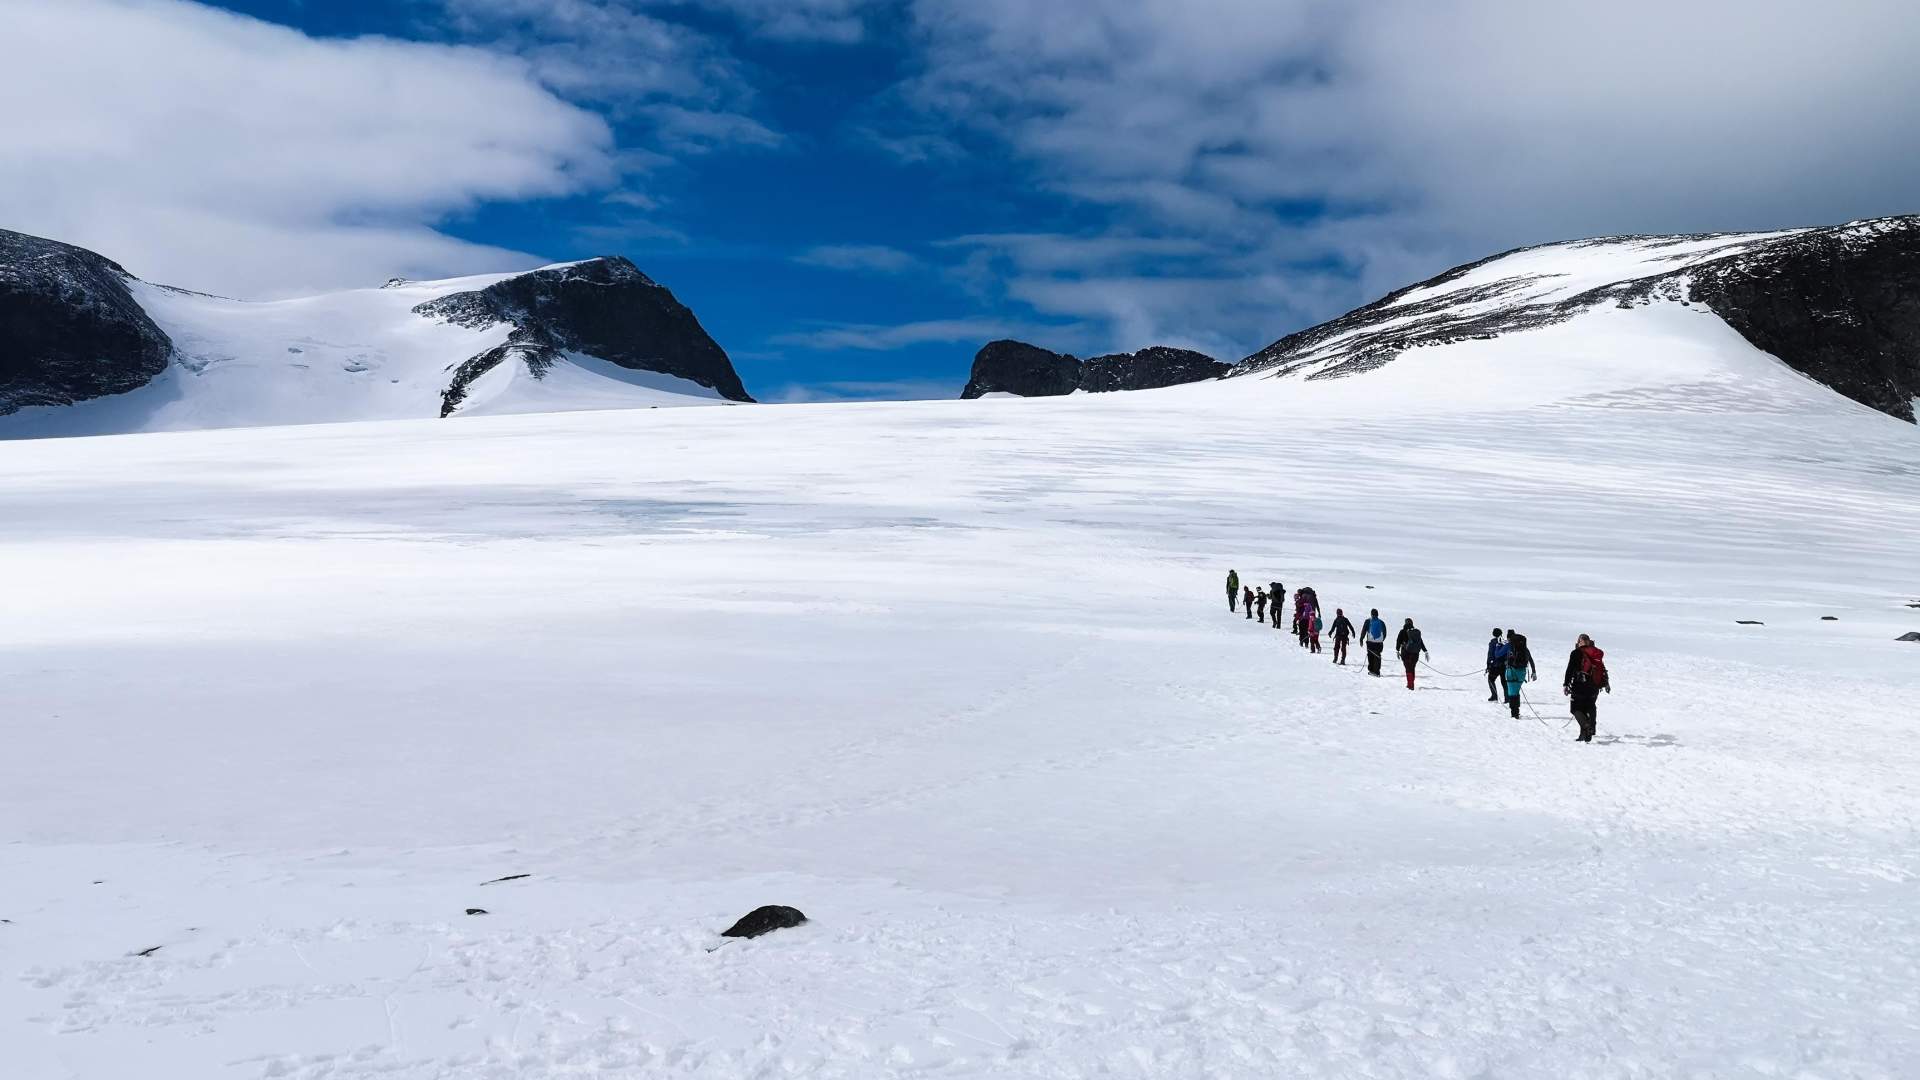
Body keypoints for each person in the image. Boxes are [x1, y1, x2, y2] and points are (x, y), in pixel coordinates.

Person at [1563, 634, 1610, 742]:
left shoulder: (1576, 652)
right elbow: (1602, 669)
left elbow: (1570, 669)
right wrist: (1606, 683)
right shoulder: (1595, 653)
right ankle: (1586, 733)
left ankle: (1587, 727)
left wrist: (1566, 684)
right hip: (1594, 686)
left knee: (1575, 709)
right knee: (1590, 706)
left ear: (1579, 642)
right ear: (1589, 641)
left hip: (1580, 685)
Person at [1502, 631, 1537, 719]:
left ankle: (1514, 713)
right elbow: (1531, 660)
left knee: (1512, 693)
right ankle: (1516, 712)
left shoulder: (1510, 647)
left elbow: (1498, 654)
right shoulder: (1525, 649)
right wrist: (1534, 672)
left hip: (1511, 672)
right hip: (1522, 673)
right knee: (1516, 692)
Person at [1395, 618, 1427, 689]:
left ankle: (1410, 685)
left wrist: (1397, 650)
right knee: (1412, 668)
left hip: (1405, 653)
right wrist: (1425, 651)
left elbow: (1398, 641)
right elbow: (1420, 642)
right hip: (1415, 653)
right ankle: (1411, 683)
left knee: (1408, 668)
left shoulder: (1402, 631)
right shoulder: (1415, 632)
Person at [1361, 609, 1387, 676]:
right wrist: (1381, 640)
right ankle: (1377, 671)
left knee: (1370, 655)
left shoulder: (1368, 621)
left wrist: (1361, 639)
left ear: (1371, 614)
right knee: (1377, 656)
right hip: (1379, 643)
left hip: (1370, 642)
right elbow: (1385, 633)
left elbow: (1364, 630)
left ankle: (1371, 670)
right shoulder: (1381, 622)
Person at [1485, 629, 1508, 701]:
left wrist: (1488, 665)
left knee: (1491, 679)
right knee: (1504, 682)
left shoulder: (1493, 642)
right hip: (1504, 665)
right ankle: (1507, 698)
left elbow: (1490, 654)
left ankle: (1494, 696)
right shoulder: (1505, 642)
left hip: (1495, 666)